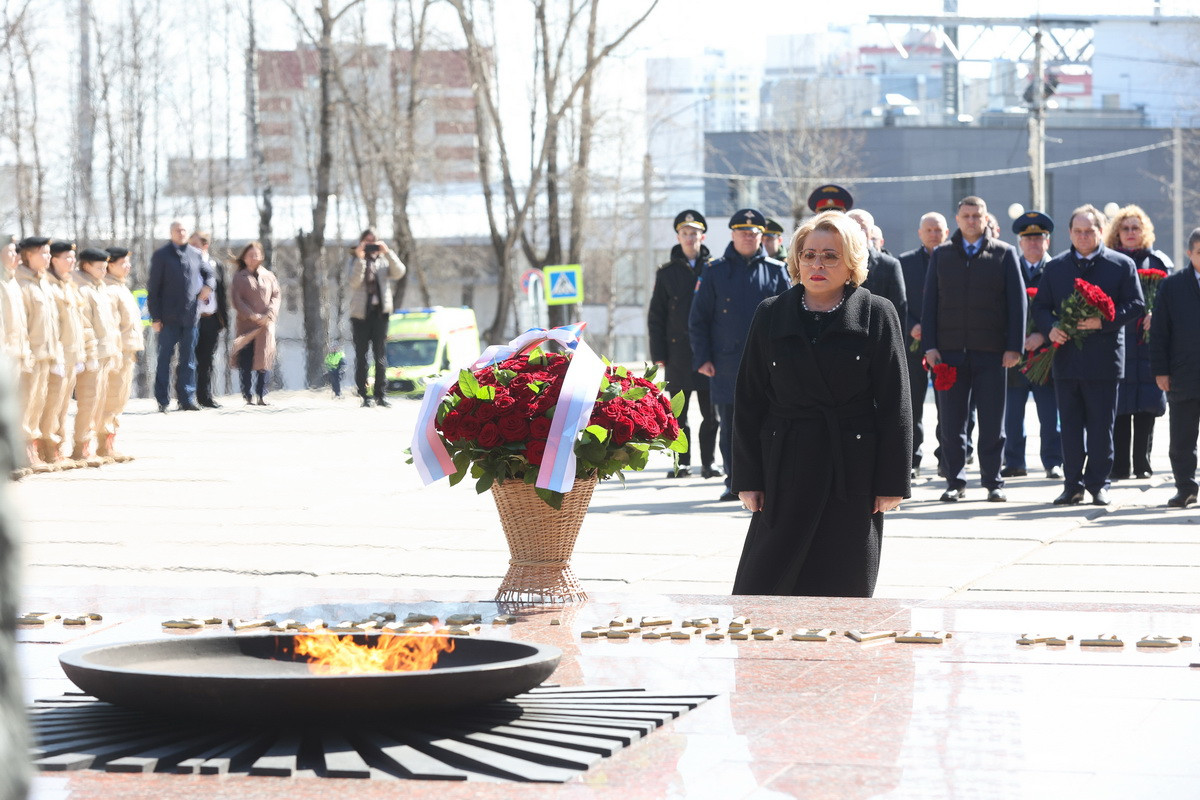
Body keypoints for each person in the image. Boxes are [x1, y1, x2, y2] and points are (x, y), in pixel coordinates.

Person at [731, 210, 911, 597]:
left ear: (852, 262)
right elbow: (748, 400)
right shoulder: (771, 313)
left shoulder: (877, 313)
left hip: (852, 467)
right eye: (809, 254)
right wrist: (747, 478)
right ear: (796, 260)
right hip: (785, 465)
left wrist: (892, 482)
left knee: (842, 586)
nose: (817, 264)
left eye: (830, 255)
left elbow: (895, 403)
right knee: (762, 587)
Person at [1030, 204, 1144, 506]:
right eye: (1077, 231)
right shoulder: (1056, 267)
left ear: (1101, 231)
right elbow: (1040, 306)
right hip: (1066, 360)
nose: (1083, 236)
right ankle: (1073, 485)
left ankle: (1098, 484)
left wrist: (1103, 321)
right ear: (1069, 233)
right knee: (1069, 427)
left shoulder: (1120, 264)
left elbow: (1136, 304)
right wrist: (1051, 328)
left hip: (1104, 360)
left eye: (1089, 231)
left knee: (1100, 428)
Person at [922, 196, 1026, 503]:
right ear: (957, 219)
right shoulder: (942, 254)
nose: (971, 221)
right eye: (966, 216)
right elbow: (930, 304)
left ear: (985, 218)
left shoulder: (1003, 253)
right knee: (952, 422)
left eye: (976, 216)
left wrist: (1014, 347)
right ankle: (955, 481)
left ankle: (993, 481)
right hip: (949, 355)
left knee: (993, 422)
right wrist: (930, 346)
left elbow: (1017, 304)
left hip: (991, 353)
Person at [688, 208, 789, 502]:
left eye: (753, 233)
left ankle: (769, 480)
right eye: (742, 232)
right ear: (732, 235)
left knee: (770, 422)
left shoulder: (776, 270)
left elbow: (789, 318)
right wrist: (703, 358)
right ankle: (735, 482)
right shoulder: (714, 271)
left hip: (769, 364)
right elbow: (698, 320)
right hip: (726, 363)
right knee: (732, 426)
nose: (748, 237)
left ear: (761, 236)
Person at [648, 210, 718, 479]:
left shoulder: (714, 268)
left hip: (708, 353)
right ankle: (682, 463)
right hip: (677, 354)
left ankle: (709, 463)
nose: (690, 238)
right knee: (678, 415)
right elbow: (656, 316)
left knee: (711, 415)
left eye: (694, 233)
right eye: (685, 233)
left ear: (703, 236)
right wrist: (659, 354)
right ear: (678, 237)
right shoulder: (667, 273)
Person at [1105, 205, 1172, 481]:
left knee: (1147, 405)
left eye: (1136, 228)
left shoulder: (1158, 262)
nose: (1130, 233)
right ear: (1117, 232)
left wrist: (1158, 314)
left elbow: (1173, 299)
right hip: (1119, 342)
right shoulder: (1109, 261)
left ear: (1144, 231)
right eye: (1125, 228)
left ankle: (1142, 463)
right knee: (1119, 407)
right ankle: (1120, 465)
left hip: (1148, 346)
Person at [1003, 212, 1063, 480]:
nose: (1033, 244)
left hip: (1046, 355)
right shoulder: (1010, 268)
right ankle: (1014, 461)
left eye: (1039, 238)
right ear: (1020, 242)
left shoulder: (1057, 269)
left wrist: (1042, 335)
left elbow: (1063, 309)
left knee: (1050, 414)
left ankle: (1053, 461)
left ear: (1047, 241)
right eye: (1028, 239)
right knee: (1013, 414)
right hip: (1016, 354)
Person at [1150, 228, 1200, 508]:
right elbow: (1159, 332)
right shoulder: (1172, 286)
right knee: (1182, 439)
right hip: (1183, 374)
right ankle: (1185, 488)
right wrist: (1161, 370)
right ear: (1189, 253)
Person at [899, 211, 949, 478]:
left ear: (947, 233)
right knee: (912, 404)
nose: (933, 234)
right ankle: (912, 458)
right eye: (928, 230)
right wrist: (911, 326)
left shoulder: (953, 260)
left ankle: (947, 457)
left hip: (946, 344)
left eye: (938, 230)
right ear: (920, 233)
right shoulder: (905, 262)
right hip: (913, 343)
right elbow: (898, 301)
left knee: (948, 406)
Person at [147, 220, 214, 412]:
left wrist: (208, 286)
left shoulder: (195, 254)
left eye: (184, 230)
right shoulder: (162, 255)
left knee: (188, 359)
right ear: (171, 233)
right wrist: (155, 317)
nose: (181, 233)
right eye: (177, 230)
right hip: (167, 317)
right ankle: (162, 399)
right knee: (164, 359)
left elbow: (209, 273)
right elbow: (153, 288)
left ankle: (187, 398)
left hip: (190, 316)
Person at [14, 237, 60, 475]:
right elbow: (22, 325)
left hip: (46, 354)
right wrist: (27, 353)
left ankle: (32, 450)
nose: (48, 257)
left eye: (49, 253)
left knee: (37, 403)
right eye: (43, 253)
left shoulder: (43, 283)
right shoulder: (21, 284)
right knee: (24, 404)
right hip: (30, 355)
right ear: (28, 255)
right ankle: (22, 453)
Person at [347, 228, 407, 407]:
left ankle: (380, 394)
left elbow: (399, 272)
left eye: (373, 241)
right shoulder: (354, 260)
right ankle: (364, 394)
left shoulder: (383, 261)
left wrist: (388, 253)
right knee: (361, 356)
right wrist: (360, 258)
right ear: (361, 242)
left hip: (380, 314)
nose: (370, 245)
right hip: (360, 315)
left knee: (380, 355)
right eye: (367, 241)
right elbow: (354, 282)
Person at [72, 247, 121, 466]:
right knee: (88, 401)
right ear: (86, 266)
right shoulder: (82, 289)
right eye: (99, 267)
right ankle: (81, 446)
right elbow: (86, 326)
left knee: (101, 401)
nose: (103, 271)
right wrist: (90, 354)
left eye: (105, 267)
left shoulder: (100, 288)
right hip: (92, 355)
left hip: (105, 353)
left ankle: (95, 445)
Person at [40, 241, 85, 470]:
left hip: (70, 354)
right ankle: (47, 449)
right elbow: (51, 325)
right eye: (67, 257)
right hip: (56, 354)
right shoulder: (48, 285)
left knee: (63, 405)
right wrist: (56, 354)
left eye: (73, 257)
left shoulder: (68, 284)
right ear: (55, 260)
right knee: (51, 404)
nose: (72, 261)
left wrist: (80, 353)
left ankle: (58, 447)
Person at [98, 246, 143, 462]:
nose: (128, 266)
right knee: (111, 398)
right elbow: (111, 326)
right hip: (117, 352)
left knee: (119, 399)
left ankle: (110, 443)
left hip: (127, 351)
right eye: (122, 263)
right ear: (109, 265)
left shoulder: (121, 287)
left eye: (128, 262)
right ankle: (103, 445)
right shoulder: (109, 289)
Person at [229, 242, 281, 406]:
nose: (253, 258)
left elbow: (276, 296)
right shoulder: (239, 277)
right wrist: (251, 315)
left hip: (265, 325)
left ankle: (262, 394)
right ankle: (247, 394)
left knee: (264, 360)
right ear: (244, 257)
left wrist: (269, 314)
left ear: (262, 256)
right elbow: (237, 300)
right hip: (246, 325)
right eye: (250, 255)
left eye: (256, 254)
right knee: (245, 360)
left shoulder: (269, 276)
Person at [846, 208, 907, 329]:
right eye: (853, 226)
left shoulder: (889, 265)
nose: (858, 232)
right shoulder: (834, 261)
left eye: (862, 227)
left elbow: (898, 310)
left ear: (871, 232)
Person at [190, 231, 227, 409]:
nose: (191, 248)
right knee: (189, 358)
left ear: (205, 245)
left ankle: (205, 397)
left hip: (211, 318)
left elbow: (222, 293)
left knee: (207, 359)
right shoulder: (186, 264)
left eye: (195, 245)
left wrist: (223, 320)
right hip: (191, 319)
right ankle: (187, 397)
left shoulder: (215, 264)